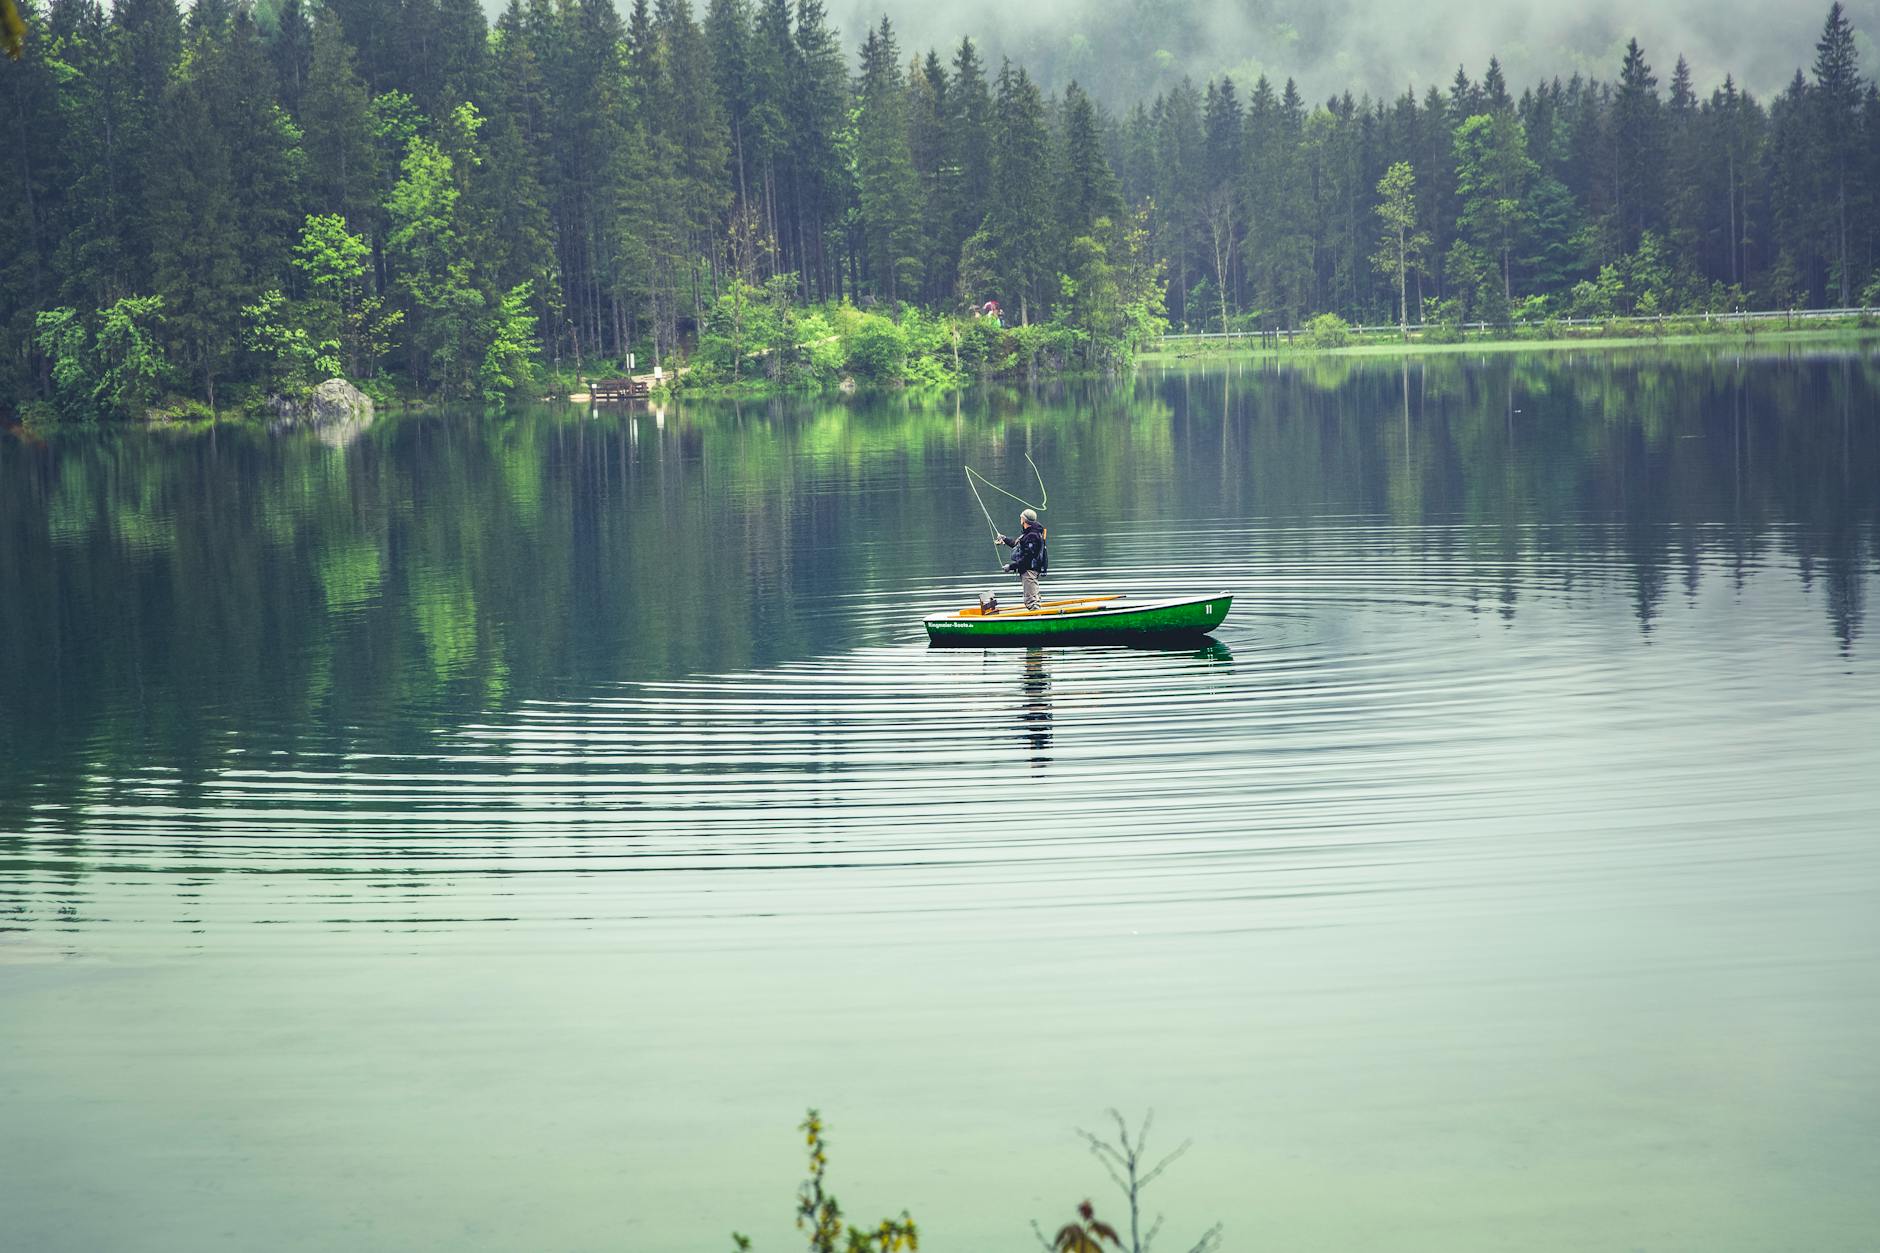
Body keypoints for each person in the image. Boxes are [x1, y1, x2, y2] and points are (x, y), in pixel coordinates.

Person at [997, 509, 1047, 610]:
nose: (1020, 519)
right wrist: (1004, 539)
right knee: (1035, 599)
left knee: (1031, 602)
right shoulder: (1030, 534)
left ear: (1024, 520)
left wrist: (1010, 567)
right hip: (1031, 571)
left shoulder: (1032, 536)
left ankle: (1038, 622)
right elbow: (1018, 545)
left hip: (1029, 572)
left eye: (1021, 517)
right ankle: (1038, 618)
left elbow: (1026, 560)